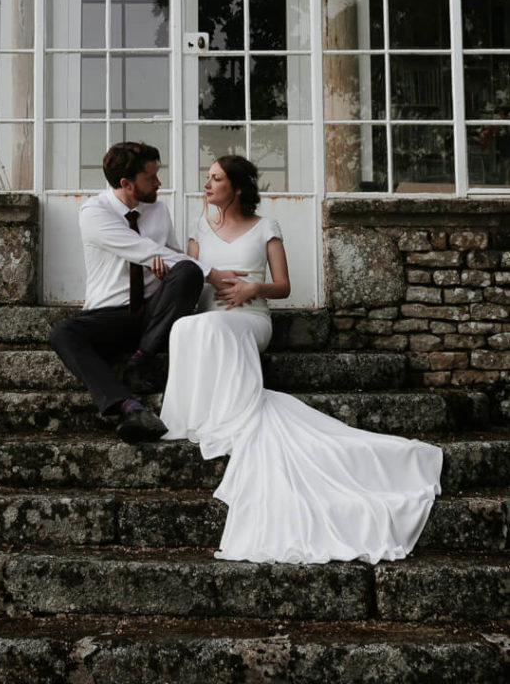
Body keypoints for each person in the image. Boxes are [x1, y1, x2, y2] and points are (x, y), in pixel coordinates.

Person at [160, 155, 443, 564]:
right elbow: (193, 277)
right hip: (209, 317)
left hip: (249, 319)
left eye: (216, 178)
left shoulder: (265, 228)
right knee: (187, 327)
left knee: (212, 329)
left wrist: (250, 288)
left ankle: (229, 413)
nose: (207, 185)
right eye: (207, 177)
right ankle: (194, 415)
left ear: (237, 187)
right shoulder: (199, 228)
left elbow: (284, 286)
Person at [50, 142, 245, 444]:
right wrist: (214, 274)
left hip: (155, 315)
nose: (159, 183)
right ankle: (128, 405)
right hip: (112, 315)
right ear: (126, 183)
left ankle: (140, 359)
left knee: (187, 272)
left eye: (157, 174)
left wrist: (176, 273)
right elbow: (143, 250)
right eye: (151, 178)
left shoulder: (159, 209)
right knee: (62, 333)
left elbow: (175, 255)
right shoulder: (94, 212)